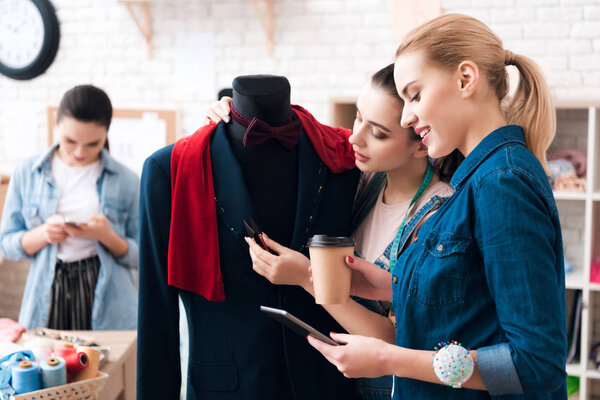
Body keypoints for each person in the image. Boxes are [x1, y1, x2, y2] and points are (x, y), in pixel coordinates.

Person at [302, 14, 567, 399]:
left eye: (415, 95)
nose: (408, 116)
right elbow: (477, 298)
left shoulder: (501, 183)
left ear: (465, 79)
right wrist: (394, 285)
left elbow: (533, 364)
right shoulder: (478, 179)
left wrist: (390, 359)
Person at [206, 64, 460, 399]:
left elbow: (395, 342)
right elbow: (309, 133)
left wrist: (305, 277)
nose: (355, 137)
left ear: (422, 143)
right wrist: (229, 109)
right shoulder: (363, 180)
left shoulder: (438, 216)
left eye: (379, 133)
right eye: (358, 117)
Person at [137, 75, 360, 399]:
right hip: (224, 388)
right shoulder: (169, 169)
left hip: (326, 381)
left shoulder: (341, 158)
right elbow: (156, 312)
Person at [0, 85, 139, 330]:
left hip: (108, 298)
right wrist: (43, 234)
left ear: (107, 132)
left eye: (93, 144)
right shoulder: (27, 172)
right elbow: (7, 245)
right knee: (47, 365)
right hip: (47, 292)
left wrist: (107, 237)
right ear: (57, 122)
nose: (79, 152)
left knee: (106, 366)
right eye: (69, 141)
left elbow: (147, 256)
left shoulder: (126, 180)